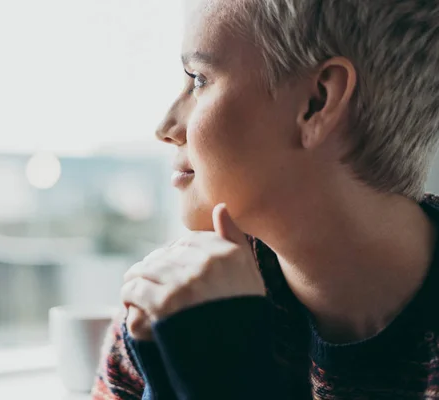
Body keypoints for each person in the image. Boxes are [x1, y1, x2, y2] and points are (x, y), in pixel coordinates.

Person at [92, 0, 439, 398]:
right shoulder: (181, 306)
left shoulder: (205, 326)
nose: (166, 126)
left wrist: (231, 381)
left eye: (199, 79)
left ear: (317, 102)